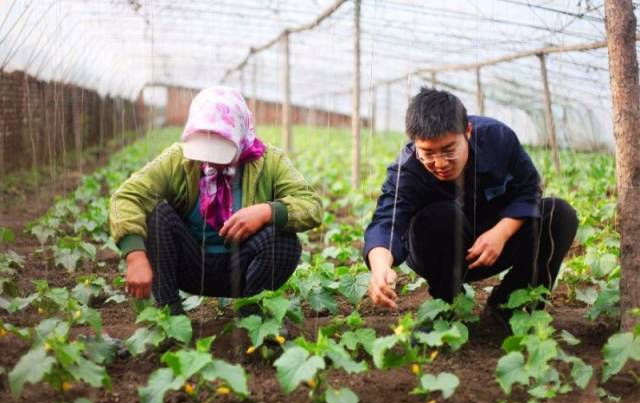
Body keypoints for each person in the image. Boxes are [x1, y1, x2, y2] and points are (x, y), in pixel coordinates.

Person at [363, 88, 578, 329]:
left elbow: (529, 188)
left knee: (560, 216)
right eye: (428, 154)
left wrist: (501, 232)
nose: (440, 163)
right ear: (415, 145)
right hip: (440, 254)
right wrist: (380, 269)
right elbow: (387, 221)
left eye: (448, 150)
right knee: (442, 216)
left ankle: (508, 305)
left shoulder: (497, 139)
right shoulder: (407, 170)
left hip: (495, 245)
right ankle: (445, 307)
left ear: (468, 131)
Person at [109, 86, 323, 315]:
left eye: (221, 149)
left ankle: (251, 312)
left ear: (240, 133)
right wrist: (135, 256)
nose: (211, 159)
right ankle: (170, 317)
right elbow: (127, 197)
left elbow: (312, 206)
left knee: (283, 239)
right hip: (191, 266)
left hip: (243, 268)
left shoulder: (270, 161)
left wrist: (267, 211)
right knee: (158, 215)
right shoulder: (178, 160)